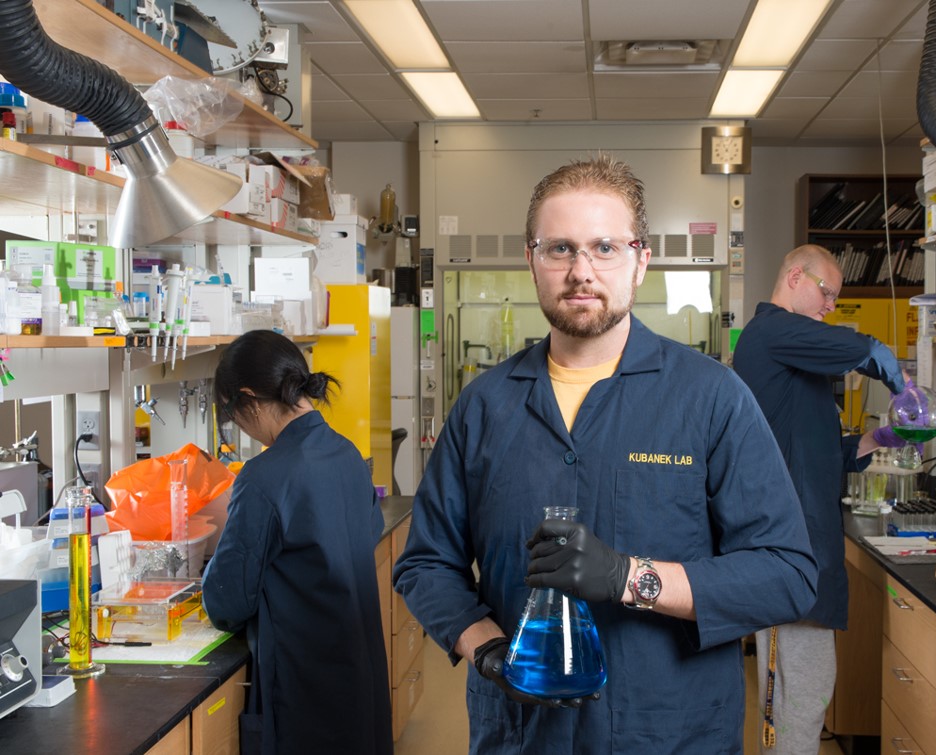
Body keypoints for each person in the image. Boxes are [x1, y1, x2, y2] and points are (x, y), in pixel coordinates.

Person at [393, 154, 818, 754]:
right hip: (522, 734)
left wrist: (629, 578)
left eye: (605, 248)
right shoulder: (484, 407)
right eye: (559, 248)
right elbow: (426, 563)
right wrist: (486, 646)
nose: (581, 271)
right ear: (532, 260)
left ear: (641, 260)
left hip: (671, 732)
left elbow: (787, 575)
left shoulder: (711, 398)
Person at [731, 244, 910, 754]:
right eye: (826, 292)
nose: (831, 305)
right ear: (794, 276)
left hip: (798, 544)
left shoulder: (791, 353)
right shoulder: (770, 331)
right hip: (788, 548)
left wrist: (873, 442)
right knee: (798, 694)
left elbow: (808, 449)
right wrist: (896, 377)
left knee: (797, 693)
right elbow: (863, 349)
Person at [202, 330, 393, 755]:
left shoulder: (264, 476)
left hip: (305, 683)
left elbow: (227, 602)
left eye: (233, 413)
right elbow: (363, 532)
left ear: (249, 397)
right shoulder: (347, 455)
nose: (240, 427)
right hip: (356, 670)